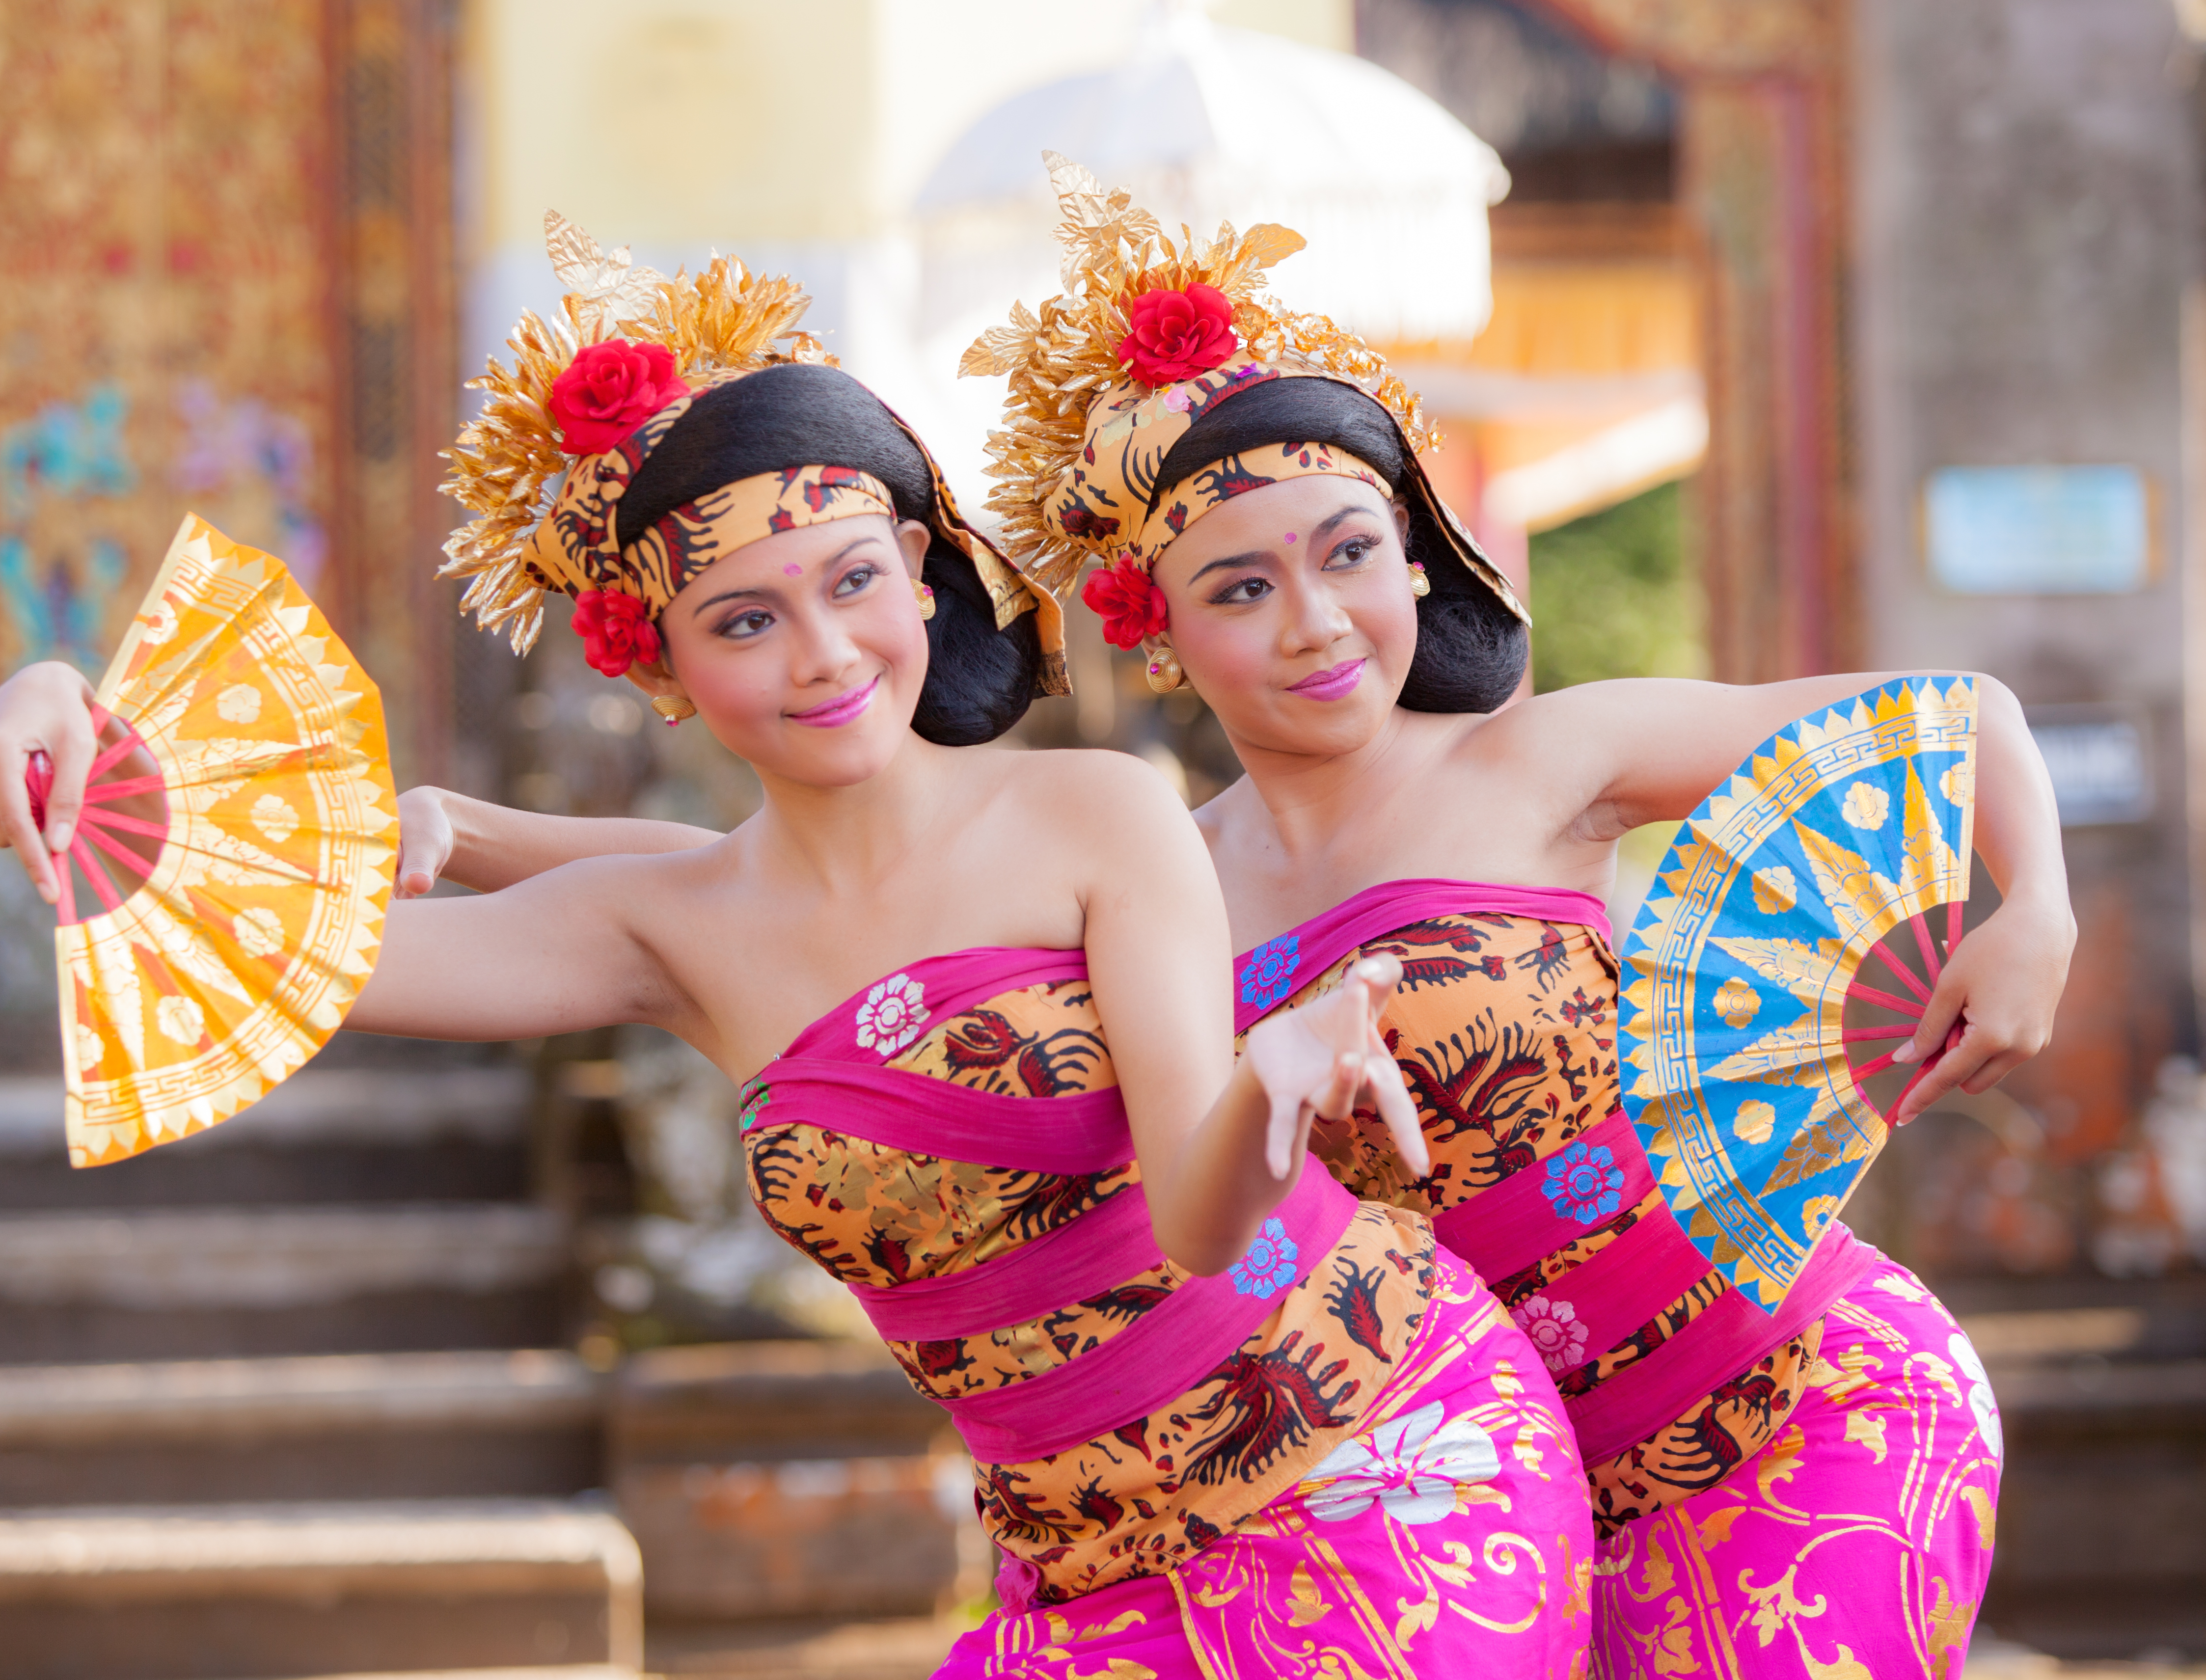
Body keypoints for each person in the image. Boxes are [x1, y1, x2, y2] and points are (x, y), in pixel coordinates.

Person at [372, 168, 2068, 1678]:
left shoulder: (1548, 762)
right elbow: (793, 902)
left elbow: (1950, 717)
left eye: (1350, 555)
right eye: (1243, 588)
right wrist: (477, 838)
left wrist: (2034, 915)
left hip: (1770, 1401)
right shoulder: (1162, 865)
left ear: (1421, 557)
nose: (1315, 623)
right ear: (1157, 628)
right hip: (1419, 1454)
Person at [0, 228, 1595, 1678]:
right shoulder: (668, 929)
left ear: (922, 580)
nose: (822, 656)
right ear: (657, 666)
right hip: (1088, 1565)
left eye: (852, 582)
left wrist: (1278, 1080)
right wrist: (57, 720)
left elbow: (1202, 1216)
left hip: (1384, 1471)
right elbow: (281, 946)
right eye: (744, 620)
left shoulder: (1095, 814)